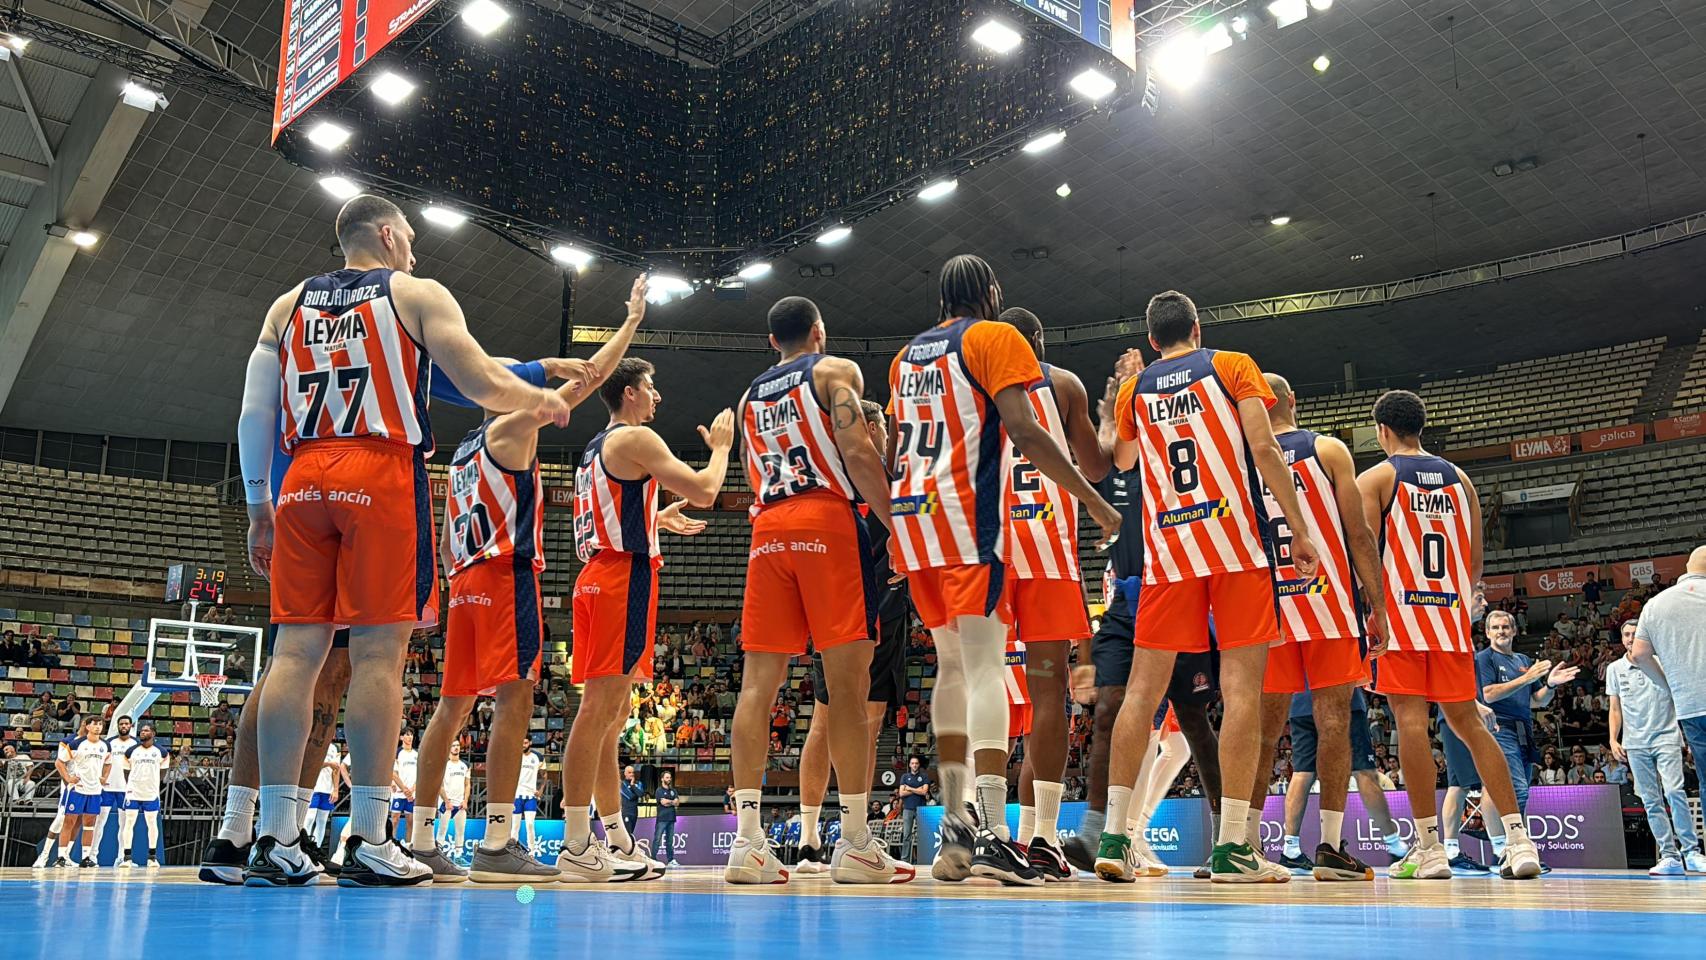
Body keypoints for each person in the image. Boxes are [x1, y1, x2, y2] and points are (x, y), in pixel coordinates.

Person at [235, 195, 573, 887]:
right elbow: (479, 378)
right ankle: (368, 836)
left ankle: (274, 837)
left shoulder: (285, 304)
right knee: (378, 654)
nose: (415, 249)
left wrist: (257, 504)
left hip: (302, 476)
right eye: (411, 238)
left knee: (295, 652)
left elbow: (253, 411)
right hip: (379, 470)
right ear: (387, 235)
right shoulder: (415, 293)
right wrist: (539, 401)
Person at [408, 278, 650, 884]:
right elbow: (592, 379)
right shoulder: (512, 429)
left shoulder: (464, 450)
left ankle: (420, 837)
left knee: (451, 709)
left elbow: (441, 538)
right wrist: (632, 320)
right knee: (515, 699)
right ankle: (495, 842)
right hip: (503, 574)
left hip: (462, 580)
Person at [888, 255, 1118, 885]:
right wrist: (1102, 463)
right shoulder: (1049, 375)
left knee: (956, 671)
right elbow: (1087, 461)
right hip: (1024, 536)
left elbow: (897, 448)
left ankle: (962, 822)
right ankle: (1027, 835)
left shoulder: (911, 358)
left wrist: (892, 524)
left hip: (931, 526)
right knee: (1042, 692)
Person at [1094, 290, 1318, 884]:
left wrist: (1126, 390)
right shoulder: (1232, 364)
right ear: (1198, 326)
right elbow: (1265, 447)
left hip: (1168, 551)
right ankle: (1233, 849)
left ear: (1151, 341)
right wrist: (1299, 529)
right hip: (1236, 545)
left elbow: (1121, 461)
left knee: (1141, 693)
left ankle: (1116, 837)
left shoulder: (1135, 391)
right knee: (1242, 690)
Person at [726, 297, 912, 885]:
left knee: (758, 687)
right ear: (819, 333)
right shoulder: (835, 373)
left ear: (770, 341)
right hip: (827, 523)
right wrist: (896, 527)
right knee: (849, 690)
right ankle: (855, 841)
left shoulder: (749, 397)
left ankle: (748, 842)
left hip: (767, 530)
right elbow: (857, 452)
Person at [1359, 390, 1540, 880]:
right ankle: (1520, 842)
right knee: (1471, 726)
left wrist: (1375, 612)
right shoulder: (1461, 480)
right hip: (1450, 619)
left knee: (1410, 726)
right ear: (1421, 427)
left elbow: (1366, 556)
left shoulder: (1377, 478)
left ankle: (1429, 849)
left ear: (1382, 431)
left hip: (1400, 621)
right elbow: (1475, 563)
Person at [563, 357, 727, 882]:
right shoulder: (635, 440)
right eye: (651, 387)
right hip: (621, 580)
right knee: (599, 714)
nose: (658, 397)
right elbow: (705, 490)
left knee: (610, 719)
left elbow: (610, 512)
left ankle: (616, 839)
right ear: (629, 393)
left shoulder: (596, 446)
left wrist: (655, 519)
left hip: (596, 574)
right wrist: (721, 450)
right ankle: (574, 844)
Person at [1244, 373, 1388, 882]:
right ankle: (1328, 847)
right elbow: (1359, 535)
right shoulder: (1328, 450)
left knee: (1259, 733)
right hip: (1328, 604)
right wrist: (1379, 606)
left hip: (1268, 612)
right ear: (1293, 401)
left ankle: (1241, 844)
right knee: (1334, 725)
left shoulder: (1243, 458)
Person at [996, 306, 1112, 881]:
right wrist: (1111, 419)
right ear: (1039, 340)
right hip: (1047, 547)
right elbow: (1095, 464)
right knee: (1049, 699)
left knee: (979, 689)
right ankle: (1042, 837)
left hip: (988, 546)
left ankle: (989, 833)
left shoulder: (976, 383)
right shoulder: (1061, 383)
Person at [797, 400, 914, 874]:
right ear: (868, 428)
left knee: (861, 718)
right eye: (882, 429)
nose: (886, 437)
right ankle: (824, 838)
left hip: (876, 606)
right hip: (851, 608)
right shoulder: (853, 476)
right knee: (837, 719)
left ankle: (847, 836)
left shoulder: (880, 477)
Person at [1477, 608, 1577, 865]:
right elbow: (1488, 694)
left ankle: (1509, 848)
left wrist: (1550, 685)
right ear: (1487, 632)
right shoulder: (1484, 659)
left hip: (1524, 729)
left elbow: (1536, 701)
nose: (1501, 631)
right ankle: (1515, 847)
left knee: (1521, 789)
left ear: (1514, 630)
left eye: (1505, 627)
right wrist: (1528, 677)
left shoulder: (1522, 659)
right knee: (1517, 789)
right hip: (1498, 728)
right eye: (1496, 627)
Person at [1275, 687, 1409, 874]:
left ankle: (1290, 849)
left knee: (1302, 772)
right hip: (1342, 700)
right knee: (1363, 771)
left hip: (1301, 702)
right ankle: (1394, 845)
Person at [1607, 620, 1703, 874]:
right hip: (1635, 743)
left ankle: (1691, 851)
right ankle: (1669, 855)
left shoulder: (1663, 662)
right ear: (1621, 638)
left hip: (1666, 737)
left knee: (1674, 791)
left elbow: (1680, 697)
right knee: (1650, 800)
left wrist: (1686, 734)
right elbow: (1615, 708)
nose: (1630, 638)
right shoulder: (1615, 669)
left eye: (1634, 634)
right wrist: (1613, 739)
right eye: (1626, 635)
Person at [1630, 546, 1706, 795]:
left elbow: (1639, 654)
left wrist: (1669, 687)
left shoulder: (1654, 604)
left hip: (1690, 706)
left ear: (1687, 568)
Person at [52, 717, 108, 868]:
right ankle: (61, 857)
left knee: (90, 824)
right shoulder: (77, 743)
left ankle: (86, 858)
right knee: (69, 822)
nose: (97, 727)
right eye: (94, 724)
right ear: (88, 726)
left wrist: (104, 777)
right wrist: (68, 777)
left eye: (100, 724)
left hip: (95, 791)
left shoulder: (105, 745)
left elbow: (108, 763)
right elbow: (59, 762)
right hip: (77, 789)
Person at [120, 724, 168, 868]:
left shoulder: (162, 752)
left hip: (151, 793)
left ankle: (152, 857)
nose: (142, 732)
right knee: (129, 823)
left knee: (152, 824)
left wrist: (153, 784)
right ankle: (127, 858)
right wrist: (132, 785)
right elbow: (126, 771)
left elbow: (163, 772)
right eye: (142, 730)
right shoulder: (130, 751)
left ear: (153, 733)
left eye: (146, 730)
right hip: (133, 792)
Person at [96, 716, 138, 866]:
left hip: (126, 790)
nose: (124, 726)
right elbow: (101, 762)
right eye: (121, 724)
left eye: (126, 723)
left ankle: (122, 857)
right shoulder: (109, 743)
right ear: (117, 726)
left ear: (131, 726)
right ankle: (92, 856)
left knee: (125, 825)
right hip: (107, 788)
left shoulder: (136, 745)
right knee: (99, 822)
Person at [304, 739, 347, 849]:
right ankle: (305, 847)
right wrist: (328, 763)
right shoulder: (311, 743)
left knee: (322, 821)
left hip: (327, 789)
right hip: (312, 788)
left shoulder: (334, 748)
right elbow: (309, 765)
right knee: (309, 818)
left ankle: (316, 849)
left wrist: (336, 789)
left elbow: (336, 770)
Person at [437, 742, 471, 859]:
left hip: (460, 804)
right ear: (449, 748)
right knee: (442, 831)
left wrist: (465, 800)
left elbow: (467, 784)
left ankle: (458, 856)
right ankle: (439, 855)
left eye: (458, 745)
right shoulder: (443, 765)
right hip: (447, 803)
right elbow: (439, 785)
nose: (456, 747)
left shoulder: (465, 765)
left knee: (460, 831)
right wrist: (446, 801)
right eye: (453, 745)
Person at [514, 737, 544, 857]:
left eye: (525, 743)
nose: (523, 745)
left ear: (530, 743)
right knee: (515, 826)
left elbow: (545, 775)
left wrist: (541, 790)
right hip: (517, 795)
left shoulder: (538, 757)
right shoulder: (515, 755)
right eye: (522, 742)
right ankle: (513, 851)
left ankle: (532, 852)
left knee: (530, 825)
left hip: (531, 796)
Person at [896, 756, 930, 862]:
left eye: (916, 763)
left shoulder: (924, 776)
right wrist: (916, 789)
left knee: (922, 835)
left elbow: (924, 792)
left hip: (921, 809)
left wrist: (909, 788)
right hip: (908, 809)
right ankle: (904, 860)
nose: (914, 765)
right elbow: (901, 793)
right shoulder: (905, 777)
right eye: (912, 763)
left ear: (919, 765)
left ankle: (923, 858)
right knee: (906, 835)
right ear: (910, 765)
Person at [391, 729, 419, 845]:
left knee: (410, 822)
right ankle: (391, 844)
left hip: (412, 794)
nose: (410, 737)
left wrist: (412, 789)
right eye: (407, 735)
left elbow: (420, 774)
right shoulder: (397, 753)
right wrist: (404, 789)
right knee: (395, 820)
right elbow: (393, 774)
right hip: (399, 792)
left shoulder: (416, 754)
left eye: (411, 734)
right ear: (401, 737)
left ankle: (408, 847)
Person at [654, 770, 680, 867]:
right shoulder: (659, 790)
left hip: (671, 818)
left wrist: (670, 802)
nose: (669, 779)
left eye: (670, 777)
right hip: (662, 819)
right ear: (662, 779)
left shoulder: (673, 791)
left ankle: (671, 860)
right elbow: (663, 802)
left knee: (670, 841)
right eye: (667, 777)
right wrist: (672, 801)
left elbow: (677, 803)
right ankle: (653, 859)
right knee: (657, 839)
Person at [621, 765, 645, 839]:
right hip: (626, 812)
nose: (631, 774)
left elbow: (641, 794)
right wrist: (635, 791)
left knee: (631, 833)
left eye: (632, 772)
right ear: (625, 773)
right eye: (629, 772)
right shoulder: (622, 784)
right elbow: (630, 797)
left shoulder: (639, 783)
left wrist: (632, 785)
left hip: (634, 812)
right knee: (627, 834)